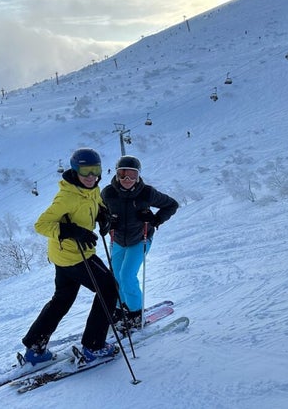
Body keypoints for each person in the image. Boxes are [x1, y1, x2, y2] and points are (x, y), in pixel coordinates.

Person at [21, 148, 119, 364]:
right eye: (86, 171)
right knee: (109, 289)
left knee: (62, 299)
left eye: (96, 170)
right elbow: (41, 225)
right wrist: (70, 231)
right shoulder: (67, 197)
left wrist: (103, 215)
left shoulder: (90, 188)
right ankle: (94, 346)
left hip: (63, 257)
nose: (91, 176)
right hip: (76, 257)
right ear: (75, 172)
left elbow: (95, 203)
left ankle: (35, 348)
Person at [100, 155, 178, 331]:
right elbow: (99, 211)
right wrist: (107, 221)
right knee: (116, 277)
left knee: (127, 276)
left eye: (132, 175)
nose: (127, 179)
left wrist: (155, 219)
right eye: (123, 174)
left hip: (140, 238)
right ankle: (120, 310)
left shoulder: (146, 193)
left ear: (138, 176)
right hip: (118, 239)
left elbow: (171, 204)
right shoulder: (108, 193)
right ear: (117, 174)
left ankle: (136, 314)